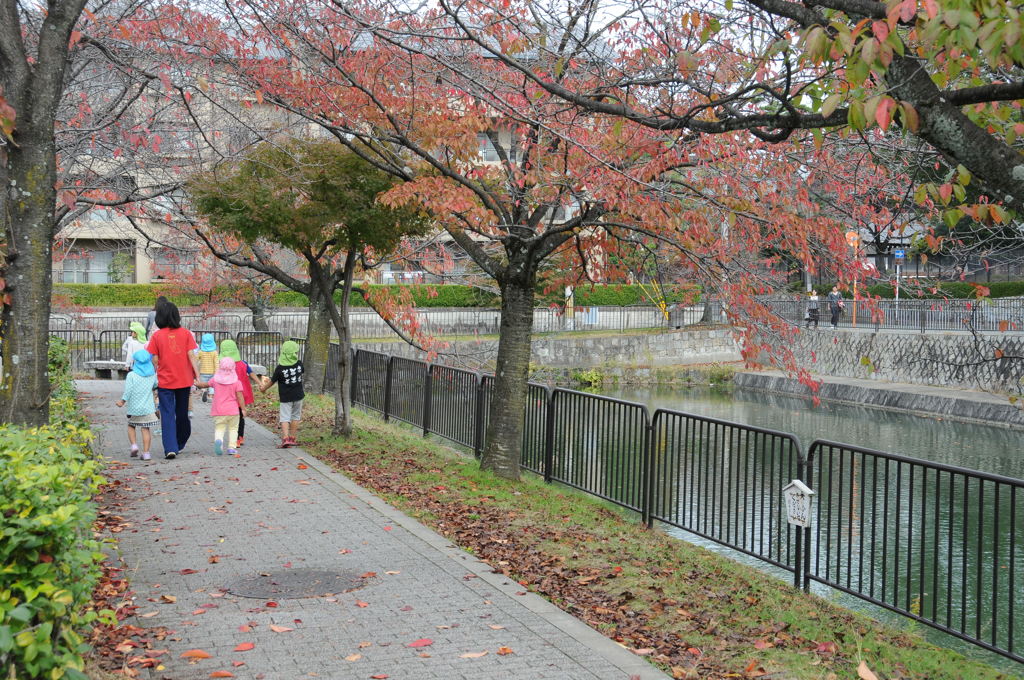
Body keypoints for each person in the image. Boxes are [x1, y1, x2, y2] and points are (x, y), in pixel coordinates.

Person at [146, 300, 200, 459]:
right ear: (177, 316)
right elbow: (191, 355)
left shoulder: (156, 336)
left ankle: (170, 447)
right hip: (184, 380)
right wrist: (197, 375)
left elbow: (154, 359)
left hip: (165, 381)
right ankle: (180, 440)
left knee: (167, 414)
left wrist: (160, 367)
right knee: (182, 413)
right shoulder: (186, 333)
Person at [115, 349, 159, 461]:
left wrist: (122, 401)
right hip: (148, 407)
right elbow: (155, 386)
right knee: (145, 429)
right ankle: (146, 453)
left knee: (131, 425)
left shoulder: (131, 375)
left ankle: (134, 445)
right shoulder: (152, 375)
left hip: (134, 407)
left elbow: (128, 391)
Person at [260, 340, 304, 448]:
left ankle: (285, 438)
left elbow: (272, 382)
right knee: (295, 416)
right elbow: (301, 372)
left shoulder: (280, 368)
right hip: (298, 395)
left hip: (285, 397)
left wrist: (264, 388)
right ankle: (293, 438)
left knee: (285, 417)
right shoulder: (299, 364)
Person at [197, 357, 245, 456]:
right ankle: (231, 448)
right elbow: (240, 396)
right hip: (233, 410)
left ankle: (219, 441)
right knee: (233, 429)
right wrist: (243, 409)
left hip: (218, 410)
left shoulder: (215, 380)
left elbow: (205, 385)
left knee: (219, 428)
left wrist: (198, 384)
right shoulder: (236, 382)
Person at [219, 338, 256, 446]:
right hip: (241, 394)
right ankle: (240, 437)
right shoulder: (243, 363)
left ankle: (235, 438)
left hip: (229, 395)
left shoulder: (222, 364)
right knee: (240, 415)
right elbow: (251, 373)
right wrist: (259, 382)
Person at [197, 333, 219, 402]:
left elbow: (196, 359)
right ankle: (210, 397)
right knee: (212, 385)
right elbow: (216, 363)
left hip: (203, 372)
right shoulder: (214, 352)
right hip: (212, 372)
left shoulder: (201, 352)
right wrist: (216, 372)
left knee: (204, 384)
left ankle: (204, 391)